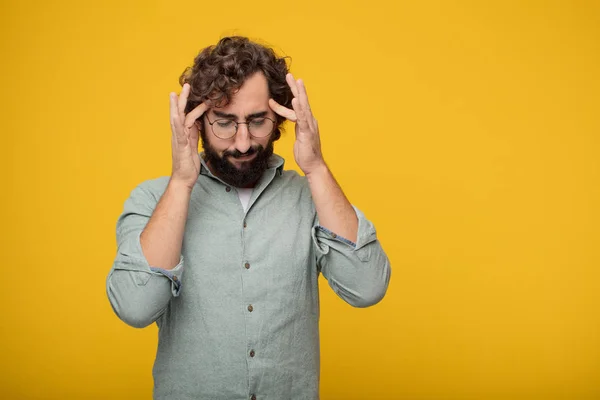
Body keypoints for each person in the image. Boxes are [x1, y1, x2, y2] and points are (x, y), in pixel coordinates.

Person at [106, 36, 391, 400]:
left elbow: (366, 288)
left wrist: (316, 167)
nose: (243, 142)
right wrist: (181, 181)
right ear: (197, 123)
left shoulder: (312, 197)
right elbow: (135, 307)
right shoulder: (152, 199)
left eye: (258, 122)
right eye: (224, 123)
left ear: (280, 120)